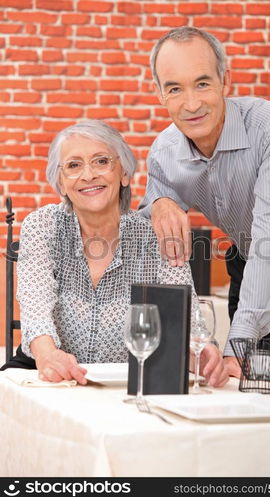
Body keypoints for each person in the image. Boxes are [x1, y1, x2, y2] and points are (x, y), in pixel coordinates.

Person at [139, 26, 270, 391]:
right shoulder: (164, 152)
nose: (190, 104)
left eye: (202, 84)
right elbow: (150, 210)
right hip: (247, 264)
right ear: (160, 94)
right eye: (175, 88)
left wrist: (240, 344)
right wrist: (159, 201)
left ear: (225, 81)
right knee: (243, 391)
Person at [1, 119, 228, 388]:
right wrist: (47, 354)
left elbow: (187, 319)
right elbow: (35, 306)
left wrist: (199, 351)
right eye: (73, 165)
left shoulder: (156, 235)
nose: (88, 175)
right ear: (61, 183)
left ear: (123, 174)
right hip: (47, 368)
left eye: (101, 161)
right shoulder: (43, 225)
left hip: (126, 377)